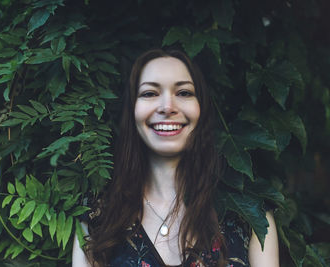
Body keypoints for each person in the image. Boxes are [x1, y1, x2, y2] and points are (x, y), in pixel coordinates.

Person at [72, 49, 279, 266]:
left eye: (183, 93)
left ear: (202, 107)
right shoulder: (99, 214)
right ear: (132, 110)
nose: (167, 107)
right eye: (150, 93)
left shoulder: (249, 213)